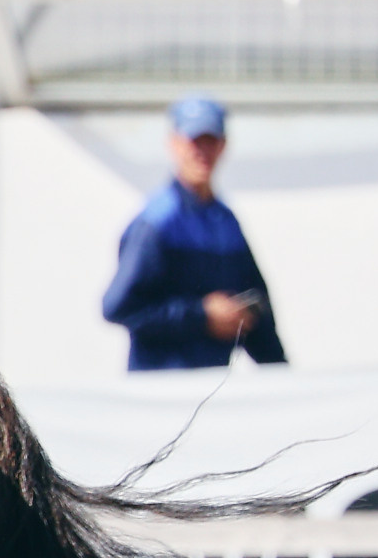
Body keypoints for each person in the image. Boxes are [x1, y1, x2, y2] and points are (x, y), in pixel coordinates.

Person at [101, 94, 288, 372]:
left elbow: (257, 312)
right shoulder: (157, 221)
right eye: (193, 141)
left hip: (208, 393)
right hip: (159, 395)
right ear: (173, 144)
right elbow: (118, 307)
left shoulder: (226, 222)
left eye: (210, 141)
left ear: (223, 146)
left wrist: (282, 377)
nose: (202, 151)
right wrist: (201, 315)